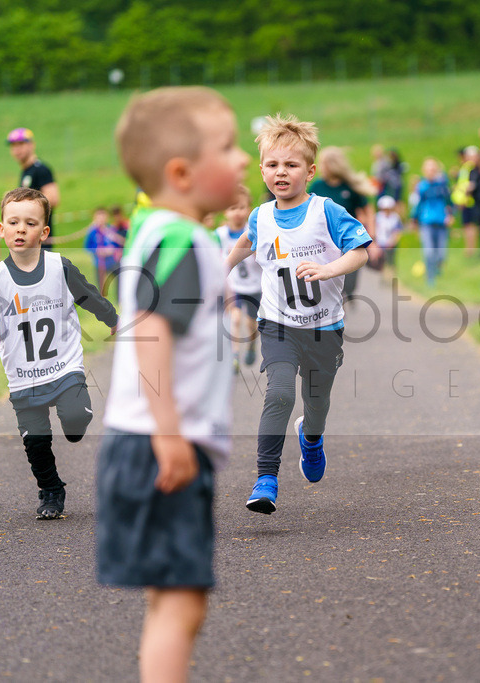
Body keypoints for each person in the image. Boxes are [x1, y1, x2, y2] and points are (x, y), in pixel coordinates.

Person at [99, 86, 249, 682]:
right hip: (158, 443)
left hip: (147, 441)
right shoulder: (183, 240)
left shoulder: (165, 229)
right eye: (230, 147)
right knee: (182, 601)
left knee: (172, 597)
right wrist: (169, 433)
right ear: (182, 173)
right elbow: (151, 332)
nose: (242, 160)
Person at [225, 114, 371, 515]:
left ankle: (311, 436)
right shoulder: (261, 216)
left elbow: (360, 251)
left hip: (325, 327)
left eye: (290, 165)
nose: (280, 173)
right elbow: (245, 242)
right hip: (278, 324)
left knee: (316, 403)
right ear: (262, 171)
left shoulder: (327, 211)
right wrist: (219, 269)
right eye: (272, 165)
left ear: (309, 171)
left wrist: (329, 269)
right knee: (280, 393)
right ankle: (266, 479)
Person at [0, 187, 118, 520]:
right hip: (23, 376)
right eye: (12, 222)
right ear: (1, 230)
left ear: (44, 233)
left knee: (74, 423)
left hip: (64, 366)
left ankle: (76, 415)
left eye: (29, 223)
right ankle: (51, 491)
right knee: (36, 444)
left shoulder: (60, 266)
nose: (20, 229)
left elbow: (89, 296)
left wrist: (114, 320)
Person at [309, 146, 375, 301]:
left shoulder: (350, 187)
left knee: (349, 281)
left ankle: (345, 295)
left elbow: (367, 209)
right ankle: (336, 305)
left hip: (347, 239)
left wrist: (371, 235)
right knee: (328, 276)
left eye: (323, 163)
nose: (320, 167)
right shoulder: (317, 186)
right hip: (324, 240)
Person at [215, 185, 262, 368]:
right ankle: (234, 356)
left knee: (251, 324)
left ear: (249, 209)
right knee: (234, 319)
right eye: (232, 208)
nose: (237, 213)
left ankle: (251, 344)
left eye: (242, 208)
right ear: (225, 212)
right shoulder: (219, 235)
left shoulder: (254, 233)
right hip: (233, 287)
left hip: (254, 286)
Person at [7, 128, 60, 251]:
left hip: (40, 241)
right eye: (13, 146)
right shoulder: (25, 172)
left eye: (21, 144)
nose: (16, 149)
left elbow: (53, 199)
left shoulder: (41, 169)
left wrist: (18, 201)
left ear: (31, 145)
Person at [411, 157, 454, 287]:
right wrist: (414, 219)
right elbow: (417, 204)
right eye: (428, 169)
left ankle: (437, 269)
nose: (431, 171)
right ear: (424, 171)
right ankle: (430, 278)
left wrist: (451, 215)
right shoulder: (421, 186)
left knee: (441, 254)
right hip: (426, 223)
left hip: (441, 222)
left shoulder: (442, 185)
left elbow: (449, 202)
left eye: (433, 169)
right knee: (429, 252)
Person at [83, 207, 124, 296]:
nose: (101, 219)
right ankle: (103, 302)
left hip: (113, 261)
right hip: (99, 262)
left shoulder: (112, 229)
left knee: (120, 279)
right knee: (101, 285)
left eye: (103, 216)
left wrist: (113, 249)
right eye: (99, 216)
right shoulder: (92, 232)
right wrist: (97, 251)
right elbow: (87, 246)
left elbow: (120, 244)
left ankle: (120, 299)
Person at [452, 146, 480, 257]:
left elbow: (471, 185)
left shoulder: (473, 168)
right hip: (465, 201)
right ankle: (469, 249)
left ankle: (473, 249)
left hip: (471, 201)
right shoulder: (466, 168)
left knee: (472, 226)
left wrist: (462, 191)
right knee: (467, 226)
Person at [374, 194, 403, 274]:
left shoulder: (395, 218)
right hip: (380, 243)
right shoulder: (377, 217)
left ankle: (391, 273)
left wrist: (392, 241)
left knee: (390, 261)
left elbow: (397, 231)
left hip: (390, 244)